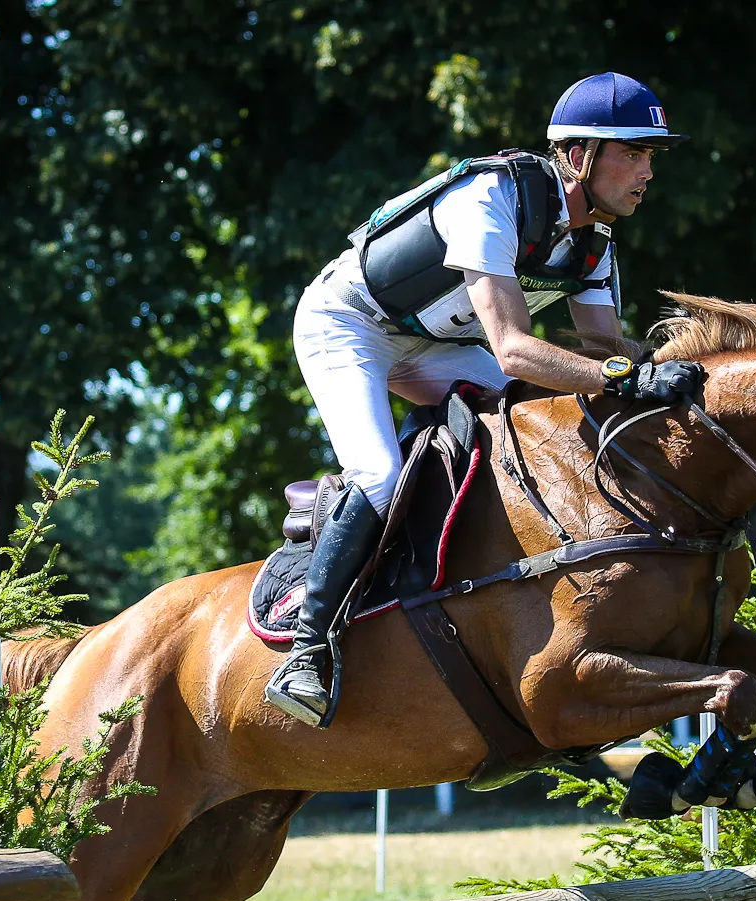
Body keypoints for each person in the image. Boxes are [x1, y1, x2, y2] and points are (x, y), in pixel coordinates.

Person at [266, 71, 710, 727]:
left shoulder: (593, 242)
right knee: (379, 473)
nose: (648, 170)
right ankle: (307, 652)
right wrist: (625, 375)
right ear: (578, 155)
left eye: (652, 155)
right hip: (350, 325)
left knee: (542, 425)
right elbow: (514, 349)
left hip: (433, 345)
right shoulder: (491, 197)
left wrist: (690, 374)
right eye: (634, 152)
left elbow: (602, 347)